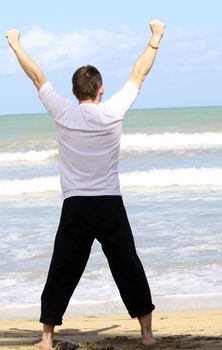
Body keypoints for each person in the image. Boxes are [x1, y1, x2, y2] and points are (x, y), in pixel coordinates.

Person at [6, 19, 165, 349]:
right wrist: (155, 37)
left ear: (75, 91)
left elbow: (36, 76)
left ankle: (47, 339)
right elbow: (139, 74)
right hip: (109, 204)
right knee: (128, 266)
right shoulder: (112, 112)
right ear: (100, 89)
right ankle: (147, 334)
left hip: (76, 206)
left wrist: (16, 44)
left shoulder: (63, 111)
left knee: (61, 270)